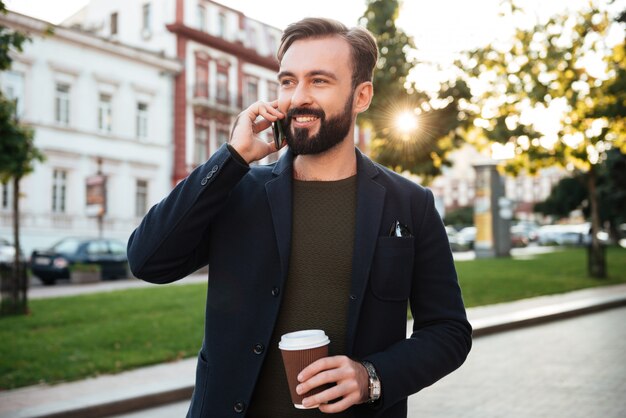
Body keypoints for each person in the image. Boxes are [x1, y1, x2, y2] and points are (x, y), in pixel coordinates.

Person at [127, 17, 471, 418]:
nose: (297, 97)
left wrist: (371, 377)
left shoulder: (410, 204)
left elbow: (449, 332)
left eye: (319, 81)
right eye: (288, 81)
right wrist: (231, 158)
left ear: (361, 97)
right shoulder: (238, 189)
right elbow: (148, 260)